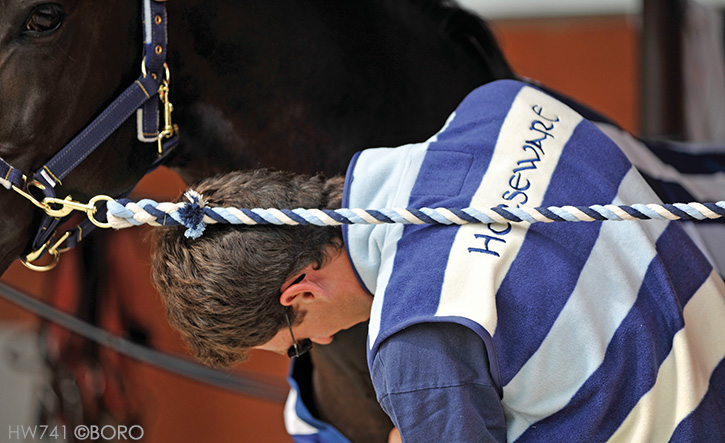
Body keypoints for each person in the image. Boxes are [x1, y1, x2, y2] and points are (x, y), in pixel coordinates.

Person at [151, 79, 725, 442]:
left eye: (298, 340)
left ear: (300, 291)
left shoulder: (414, 341)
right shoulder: (497, 104)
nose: (321, 345)